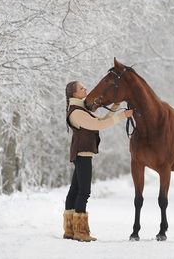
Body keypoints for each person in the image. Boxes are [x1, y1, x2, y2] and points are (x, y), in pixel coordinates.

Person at [63, 81, 133, 242]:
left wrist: (116, 106)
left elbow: (101, 119)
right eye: (82, 88)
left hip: (82, 153)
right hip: (82, 154)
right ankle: (80, 231)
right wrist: (123, 116)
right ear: (74, 94)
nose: (85, 89)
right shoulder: (76, 112)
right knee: (84, 191)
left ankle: (70, 229)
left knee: (75, 189)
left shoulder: (80, 109)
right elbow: (98, 125)